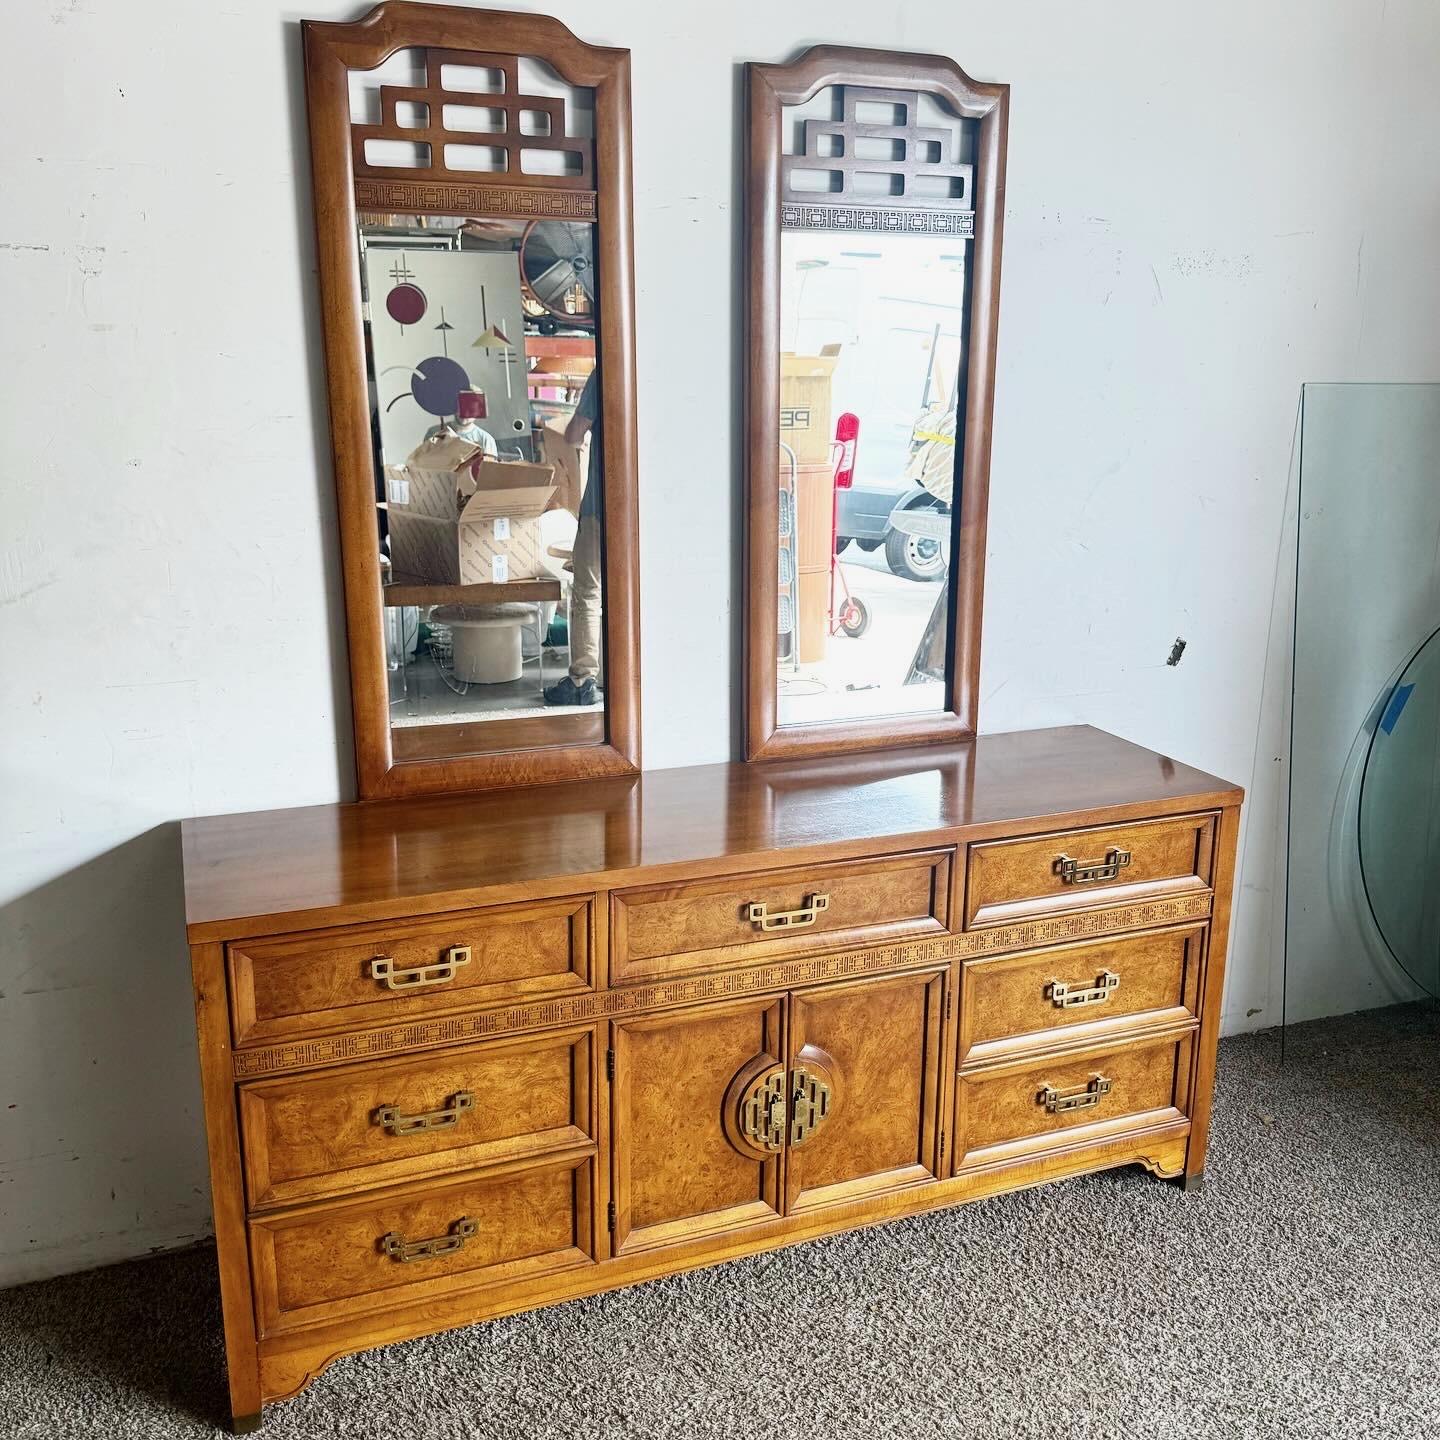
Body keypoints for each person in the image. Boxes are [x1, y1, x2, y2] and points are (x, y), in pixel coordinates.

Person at [545, 367, 603, 706]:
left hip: (602, 505)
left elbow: (574, 434)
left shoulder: (607, 368)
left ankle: (583, 679)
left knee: (587, 590)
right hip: (645, 511)